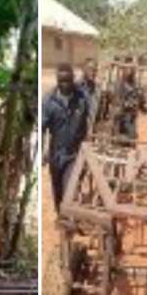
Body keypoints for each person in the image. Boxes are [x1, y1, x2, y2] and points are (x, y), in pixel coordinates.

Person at [42, 63, 89, 211]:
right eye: (61, 81)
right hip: (56, 154)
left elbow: (89, 120)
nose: (65, 84)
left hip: (74, 153)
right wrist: (42, 151)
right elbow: (42, 128)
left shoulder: (82, 98)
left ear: (73, 79)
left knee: (70, 186)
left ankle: (68, 220)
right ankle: (61, 216)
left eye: (68, 80)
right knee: (58, 190)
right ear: (57, 80)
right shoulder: (48, 101)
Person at [114, 59, 145, 145]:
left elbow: (142, 105)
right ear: (123, 70)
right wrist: (127, 104)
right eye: (128, 69)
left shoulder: (136, 86)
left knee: (131, 142)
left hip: (131, 120)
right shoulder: (119, 85)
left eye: (132, 69)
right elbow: (116, 103)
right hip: (120, 121)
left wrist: (140, 99)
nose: (131, 71)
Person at [78, 58, 100, 124]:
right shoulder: (76, 87)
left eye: (95, 70)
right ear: (83, 69)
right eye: (90, 69)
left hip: (91, 128)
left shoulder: (97, 89)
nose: (93, 72)